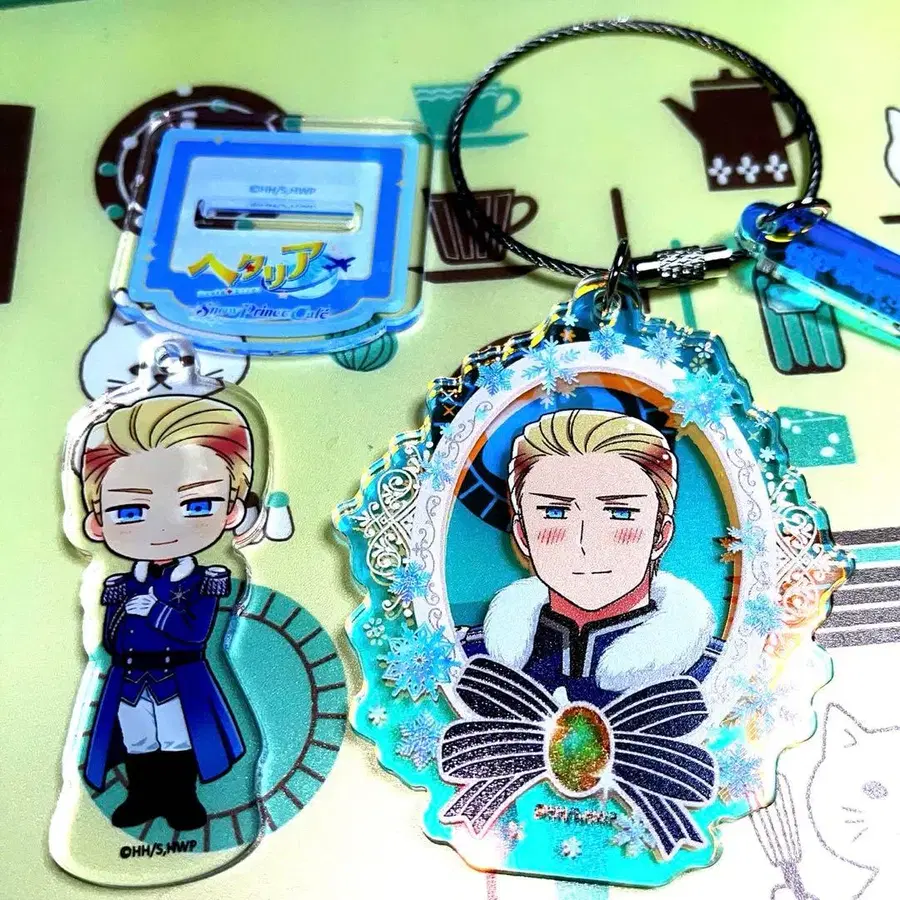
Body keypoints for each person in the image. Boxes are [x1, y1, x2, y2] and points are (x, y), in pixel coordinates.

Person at [461, 407, 723, 708]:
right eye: (555, 512)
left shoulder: (715, 675)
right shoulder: (467, 663)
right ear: (522, 534)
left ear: (659, 536)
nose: (585, 543)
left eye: (620, 513)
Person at [80, 395, 252, 831]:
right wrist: (122, 617)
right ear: (97, 522)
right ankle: (142, 797)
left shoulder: (202, 581)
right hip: (129, 677)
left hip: (180, 676)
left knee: (177, 738)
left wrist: (157, 612)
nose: (161, 528)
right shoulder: (122, 583)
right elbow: (110, 640)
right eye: (130, 511)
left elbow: (197, 633)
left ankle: (181, 799)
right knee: (138, 739)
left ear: (231, 510)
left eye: (196, 506)